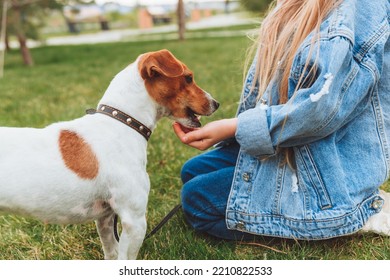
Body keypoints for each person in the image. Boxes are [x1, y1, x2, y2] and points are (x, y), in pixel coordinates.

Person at [172, 0, 390, 241]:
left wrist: (237, 127)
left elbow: (320, 110)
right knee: (192, 171)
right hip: (294, 147)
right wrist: (234, 133)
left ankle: (345, 217)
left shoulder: (357, 9)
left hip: (325, 169)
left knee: (196, 200)